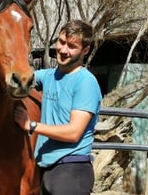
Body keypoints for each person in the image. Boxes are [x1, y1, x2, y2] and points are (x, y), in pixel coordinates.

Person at [14, 20, 102, 195]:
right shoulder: (49, 76)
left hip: (72, 170)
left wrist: (31, 125)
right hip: (47, 169)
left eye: (71, 46)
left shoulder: (86, 83)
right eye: (61, 42)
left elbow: (73, 132)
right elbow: (17, 80)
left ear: (85, 50)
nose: (63, 50)